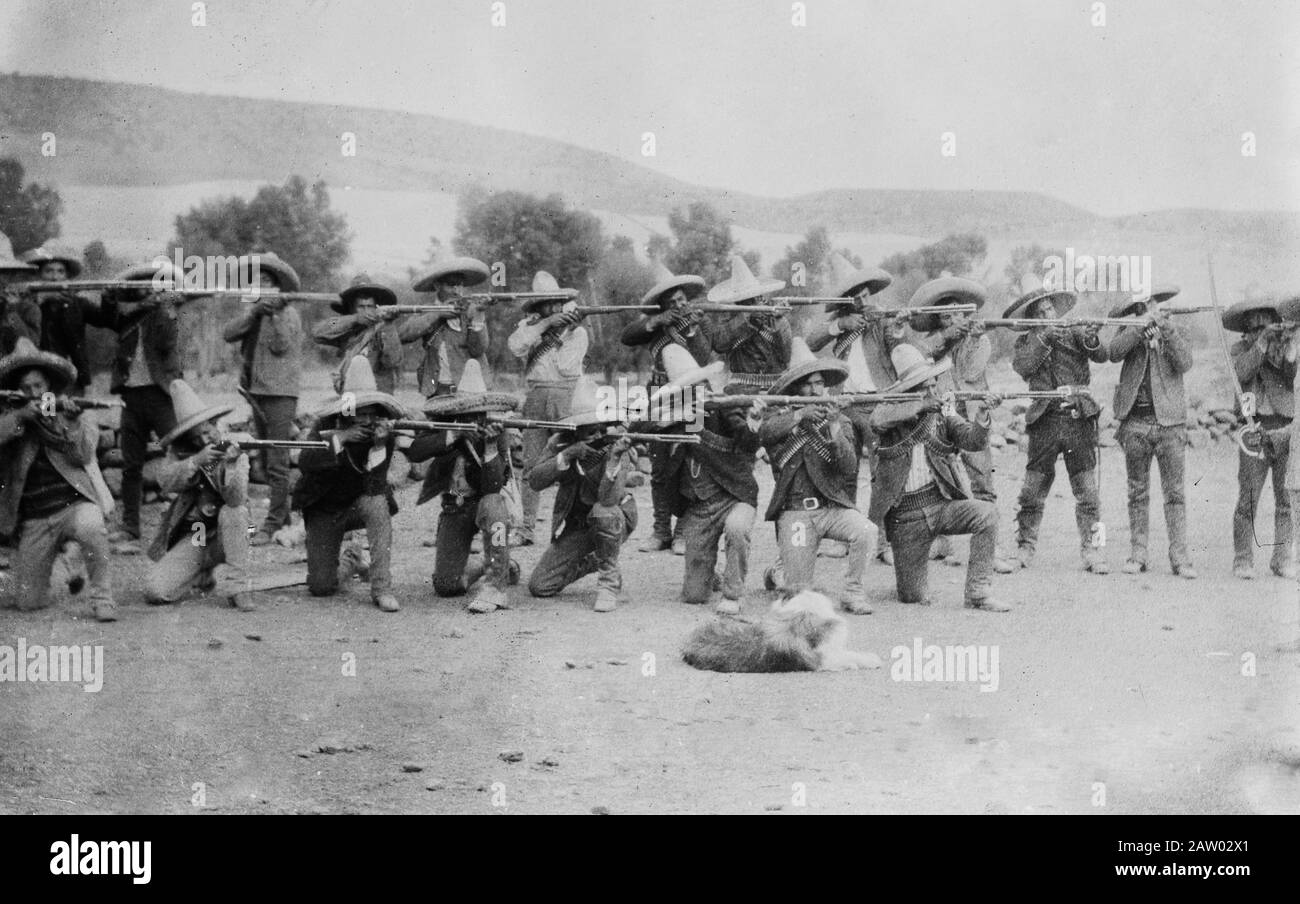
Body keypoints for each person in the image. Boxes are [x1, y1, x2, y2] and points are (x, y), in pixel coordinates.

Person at [868, 345, 1008, 611]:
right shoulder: (890, 409)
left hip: (941, 504)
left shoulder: (941, 413)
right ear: (909, 390)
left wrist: (982, 414)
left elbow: (972, 440)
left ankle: (978, 592)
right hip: (905, 518)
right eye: (925, 387)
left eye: (933, 385)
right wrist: (920, 406)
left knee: (987, 514)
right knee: (912, 596)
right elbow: (877, 421)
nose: (933, 391)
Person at [758, 340, 876, 615]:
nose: (815, 390)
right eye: (808, 384)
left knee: (867, 531)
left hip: (831, 509)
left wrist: (834, 425)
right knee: (800, 597)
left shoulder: (838, 419)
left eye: (819, 383)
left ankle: (852, 592)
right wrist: (800, 415)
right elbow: (765, 433)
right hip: (796, 513)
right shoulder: (781, 417)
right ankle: (778, 572)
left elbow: (847, 467)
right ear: (795, 389)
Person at [0, 339, 116, 621]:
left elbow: (83, 454)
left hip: (72, 508)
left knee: (91, 524)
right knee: (29, 602)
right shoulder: (10, 414)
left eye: (38, 386)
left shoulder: (72, 411)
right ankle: (66, 564)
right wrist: (20, 416)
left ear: (49, 386)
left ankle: (103, 598)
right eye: (26, 387)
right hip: (34, 519)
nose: (33, 392)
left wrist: (70, 422)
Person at [907, 275, 1013, 574]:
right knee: (937, 481)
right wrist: (949, 336)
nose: (952, 316)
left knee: (982, 482)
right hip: (940, 415)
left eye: (957, 311)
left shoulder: (979, 339)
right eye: (945, 313)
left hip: (971, 414)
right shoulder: (930, 342)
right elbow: (921, 359)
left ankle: (990, 550)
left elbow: (968, 370)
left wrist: (973, 337)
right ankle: (939, 541)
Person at [1007, 278, 1111, 574]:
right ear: (1032, 319)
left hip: (1078, 419)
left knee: (1088, 492)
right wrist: (1044, 339)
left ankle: (1094, 551)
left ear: (1056, 309)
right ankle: (1024, 547)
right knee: (1031, 492)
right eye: (1039, 312)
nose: (1045, 314)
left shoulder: (1074, 330)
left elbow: (1101, 354)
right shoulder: (1026, 343)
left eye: (1049, 307)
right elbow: (1023, 367)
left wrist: (1091, 337)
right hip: (1045, 420)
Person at [291, 356, 403, 613]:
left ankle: (381, 588)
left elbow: (375, 487)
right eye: (358, 412)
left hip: (357, 504)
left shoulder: (382, 432)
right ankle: (351, 560)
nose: (365, 418)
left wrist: (378, 447)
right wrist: (341, 438)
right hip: (323, 508)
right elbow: (306, 461)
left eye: (370, 412)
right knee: (321, 586)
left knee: (377, 504)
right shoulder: (326, 425)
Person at [407, 360, 521, 613]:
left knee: (494, 507)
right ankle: (487, 563)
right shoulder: (443, 426)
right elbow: (415, 452)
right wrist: (454, 435)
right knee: (446, 585)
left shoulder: (497, 433)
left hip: (485, 505)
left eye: (478, 414)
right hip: (455, 509)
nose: (474, 420)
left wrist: (490, 446)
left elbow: (492, 486)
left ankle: (496, 585)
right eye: (467, 415)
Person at [652, 346, 753, 613]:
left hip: (734, 498)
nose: (696, 393)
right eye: (687, 389)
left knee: (737, 529)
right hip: (699, 509)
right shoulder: (672, 425)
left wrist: (750, 420)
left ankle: (733, 594)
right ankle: (711, 573)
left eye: (699, 386)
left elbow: (749, 440)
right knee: (694, 596)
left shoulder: (725, 408)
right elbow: (660, 475)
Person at [1106, 286, 1197, 579]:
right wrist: (1140, 326)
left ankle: (1180, 558)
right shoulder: (1129, 330)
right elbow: (1113, 352)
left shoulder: (1173, 328)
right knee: (1137, 492)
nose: (1148, 309)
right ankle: (1138, 553)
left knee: (1175, 494)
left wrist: (1164, 327)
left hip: (1170, 425)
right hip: (1135, 423)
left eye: (1152, 304)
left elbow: (1185, 362)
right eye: (1141, 306)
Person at [621, 263, 712, 554]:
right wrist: (659, 320)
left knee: (692, 466)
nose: (679, 305)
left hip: (695, 398)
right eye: (672, 302)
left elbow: (704, 359)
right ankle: (661, 530)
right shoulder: (656, 326)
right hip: (661, 398)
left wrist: (695, 328)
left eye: (682, 299)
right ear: (663, 306)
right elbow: (628, 335)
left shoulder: (699, 323)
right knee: (660, 467)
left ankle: (684, 530)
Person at [526, 378, 639, 613]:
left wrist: (615, 459)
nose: (597, 435)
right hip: (578, 525)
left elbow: (609, 501)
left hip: (614, 517)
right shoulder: (560, 444)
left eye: (601, 428)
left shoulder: (616, 447)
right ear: (575, 430)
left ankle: (608, 583)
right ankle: (595, 559)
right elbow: (535, 480)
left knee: (602, 512)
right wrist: (567, 455)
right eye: (589, 430)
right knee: (541, 585)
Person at [145, 380, 257, 609]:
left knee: (234, 512)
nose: (205, 440)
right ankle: (201, 574)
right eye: (196, 437)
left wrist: (231, 465)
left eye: (207, 431)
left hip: (226, 535)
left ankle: (238, 586)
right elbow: (165, 481)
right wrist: (196, 461)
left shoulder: (232, 449)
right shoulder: (180, 453)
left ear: (215, 425)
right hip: (194, 536)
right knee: (155, 590)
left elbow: (235, 500)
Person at [99, 261, 184, 551]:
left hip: (160, 396)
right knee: (131, 465)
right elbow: (108, 314)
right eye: (143, 284)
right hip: (132, 398)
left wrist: (161, 307)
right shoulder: (127, 316)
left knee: (182, 453)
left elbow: (165, 343)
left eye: (154, 283)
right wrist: (111, 295)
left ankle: (188, 523)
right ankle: (131, 528)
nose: (149, 288)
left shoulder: (164, 314)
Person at [221, 251, 303, 546]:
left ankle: (271, 524)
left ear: (279, 287)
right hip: (256, 393)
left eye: (267, 281)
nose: (261, 287)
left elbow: (281, 345)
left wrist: (275, 314)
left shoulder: (288, 314)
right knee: (268, 459)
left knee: (277, 461)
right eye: (257, 281)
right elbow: (228, 333)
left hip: (280, 394)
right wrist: (254, 312)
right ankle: (284, 519)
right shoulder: (252, 313)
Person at [506, 271, 587, 547]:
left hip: (567, 396)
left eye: (557, 303)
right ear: (538, 307)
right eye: (547, 304)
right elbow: (515, 347)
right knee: (531, 465)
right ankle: (526, 528)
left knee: (572, 461)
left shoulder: (578, 333)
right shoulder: (529, 329)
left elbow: (566, 367)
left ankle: (571, 527)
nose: (553, 308)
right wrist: (546, 326)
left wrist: (566, 331)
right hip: (536, 397)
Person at [1225, 297, 1295, 580]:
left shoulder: (1286, 346)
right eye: (1255, 325)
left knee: (1286, 500)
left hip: (1284, 428)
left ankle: (1282, 559)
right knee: (1248, 499)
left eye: (1266, 322)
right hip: (1253, 431)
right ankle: (1242, 559)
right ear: (1247, 328)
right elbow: (1243, 372)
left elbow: (1292, 375)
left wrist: (1287, 344)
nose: (1260, 328)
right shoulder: (1240, 349)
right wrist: (1262, 345)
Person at [20, 244, 110, 392]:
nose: (55, 277)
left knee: (68, 413)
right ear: (39, 275)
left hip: (70, 379)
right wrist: (41, 299)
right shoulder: (26, 304)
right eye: (49, 271)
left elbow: (106, 320)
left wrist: (109, 299)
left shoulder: (77, 304)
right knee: (45, 413)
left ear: (66, 276)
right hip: (37, 379)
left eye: (60, 272)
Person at [400, 256, 492, 398]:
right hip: (436, 389)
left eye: (460, 285)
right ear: (437, 286)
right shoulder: (428, 310)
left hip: (470, 389)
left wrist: (478, 316)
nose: (457, 290)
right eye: (451, 285)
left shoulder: (471, 310)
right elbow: (404, 335)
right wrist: (437, 314)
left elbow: (478, 349)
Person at [709, 255, 791, 393]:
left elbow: (785, 356)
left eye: (756, 298)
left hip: (775, 388)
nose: (755, 302)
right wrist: (748, 319)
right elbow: (719, 344)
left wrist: (777, 321)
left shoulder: (776, 318)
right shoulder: (729, 319)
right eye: (745, 301)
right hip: (741, 387)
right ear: (737, 302)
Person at [313, 273, 404, 394]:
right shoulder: (346, 328)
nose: (366, 311)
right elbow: (319, 331)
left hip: (378, 397)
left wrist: (389, 325)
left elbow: (393, 361)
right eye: (361, 306)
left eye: (369, 306)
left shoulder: (383, 329)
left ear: (376, 307)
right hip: (349, 396)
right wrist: (355, 319)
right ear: (352, 308)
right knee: (345, 412)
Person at [0, 230, 40, 355]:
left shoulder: (27, 309)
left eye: (2, 273)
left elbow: (29, 349)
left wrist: (11, 312)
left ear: (11, 275)